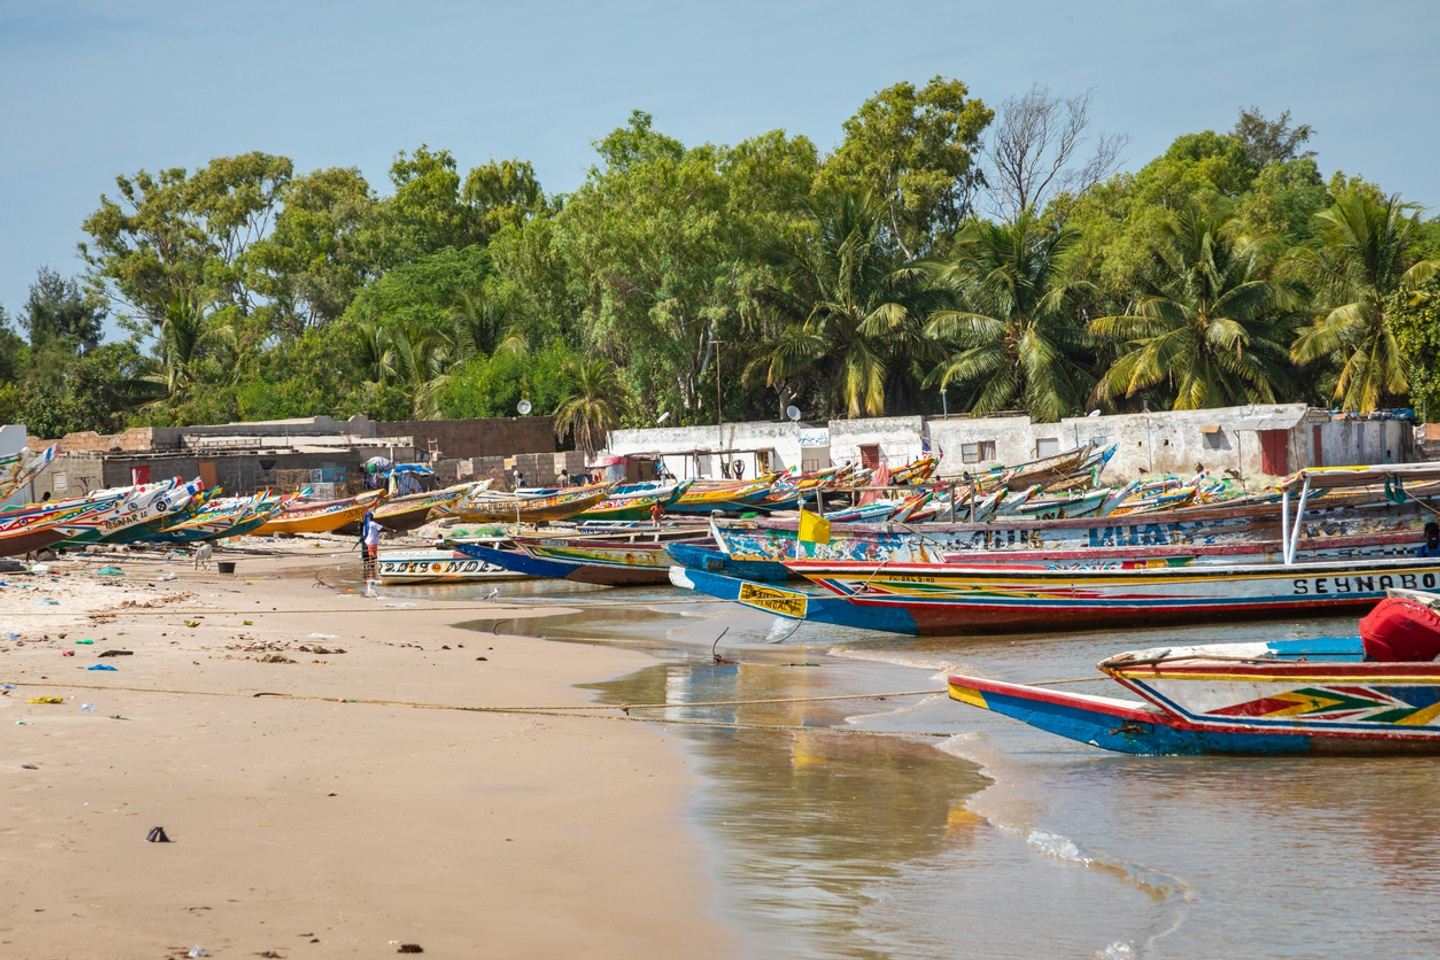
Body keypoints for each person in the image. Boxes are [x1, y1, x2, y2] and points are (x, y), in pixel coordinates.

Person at [360, 510, 385, 588]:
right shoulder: (371, 524)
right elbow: (380, 528)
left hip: (365, 541)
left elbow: (363, 532)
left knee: (367, 556)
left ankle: (369, 570)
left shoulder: (365, 524)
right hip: (369, 541)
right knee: (371, 555)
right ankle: (371, 570)